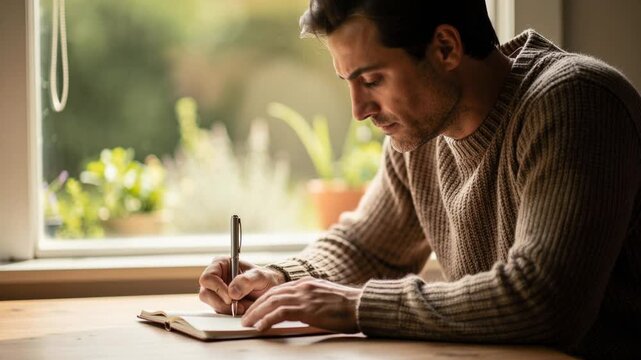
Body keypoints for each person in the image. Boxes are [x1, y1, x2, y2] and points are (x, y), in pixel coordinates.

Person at [199, 1, 641, 358]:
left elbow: (544, 300)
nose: (359, 110)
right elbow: (368, 248)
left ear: (446, 48)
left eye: (372, 79)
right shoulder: (421, 133)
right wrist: (278, 278)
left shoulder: (577, 102)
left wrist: (356, 306)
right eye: (347, 83)